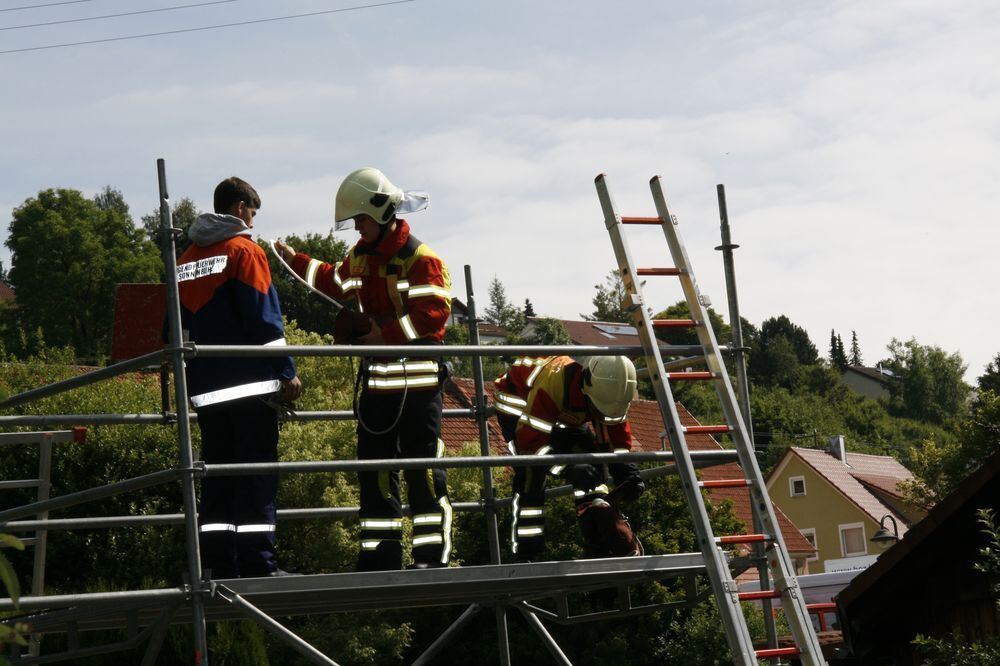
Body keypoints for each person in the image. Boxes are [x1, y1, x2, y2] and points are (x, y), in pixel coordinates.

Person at [275, 167, 452, 571]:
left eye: (361, 220)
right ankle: (379, 555)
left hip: (419, 385)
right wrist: (292, 259)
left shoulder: (421, 259)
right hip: (377, 386)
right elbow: (329, 279)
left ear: (384, 212)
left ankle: (430, 558)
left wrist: (384, 337)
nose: (357, 227)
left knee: (422, 471)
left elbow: (433, 316)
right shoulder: (359, 257)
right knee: (373, 472)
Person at [175, 176, 302, 579]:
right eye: (251, 211)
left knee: (218, 481)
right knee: (256, 479)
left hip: (206, 391)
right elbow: (264, 319)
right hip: (251, 388)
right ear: (237, 208)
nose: (252, 220)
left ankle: (216, 565)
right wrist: (287, 373)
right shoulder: (245, 252)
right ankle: (258, 566)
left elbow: (170, 329)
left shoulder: (185, 258)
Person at [494, 355, 645, 561]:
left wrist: (627, 472)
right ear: (586, 389)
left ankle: (600, 544)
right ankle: (524, 554)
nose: (603, 417)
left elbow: (616, 437)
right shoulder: (554, 387)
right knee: (531, 475)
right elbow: (531, 447)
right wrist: (568, 468)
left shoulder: (611, 392)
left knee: (594, 472)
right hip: (519, 405)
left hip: (565, 414)